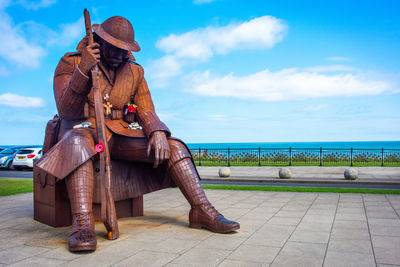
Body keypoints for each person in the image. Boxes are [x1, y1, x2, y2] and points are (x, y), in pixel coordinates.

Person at [36, 16, 239, 252]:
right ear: (100, 41)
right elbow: (66, 110)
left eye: (125, 50)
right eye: (115, 48)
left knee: (175, 147)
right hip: (82, 133)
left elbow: (145, 108)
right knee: (78, 143)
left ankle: (202, 210)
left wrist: (157, 131)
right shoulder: (71, 63)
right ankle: (83, 223)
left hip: (120, 136)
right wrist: (84, 69)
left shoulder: (135, 71)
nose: (120, 55)